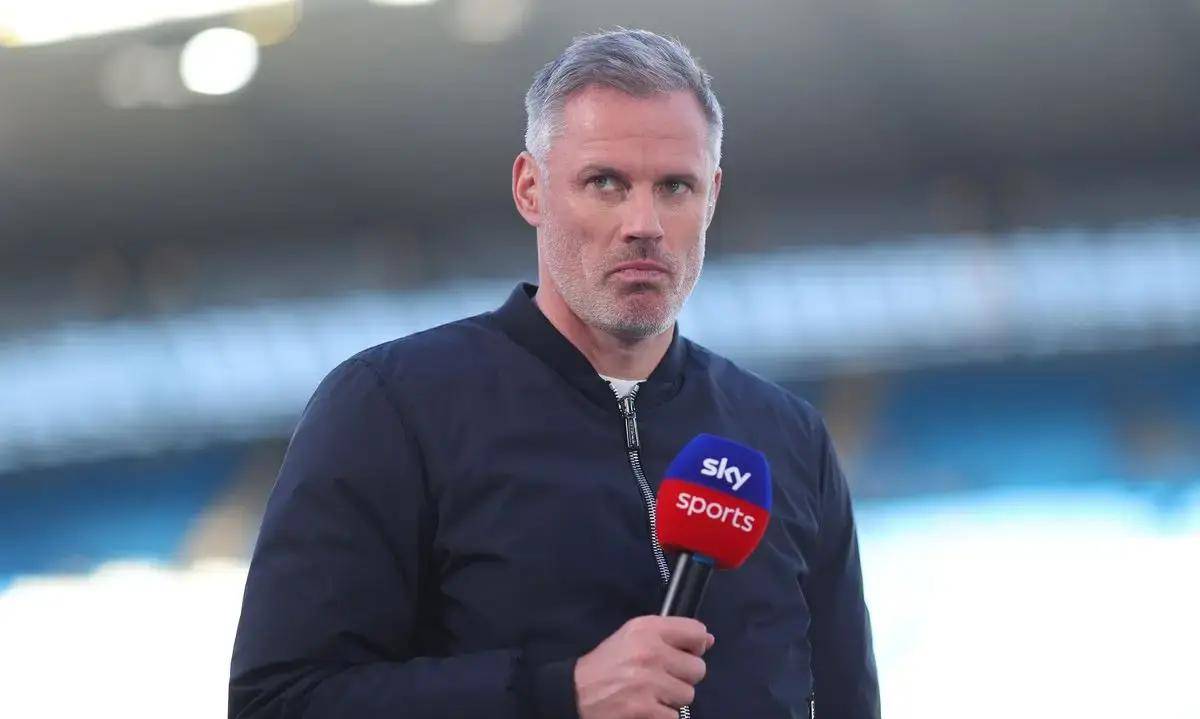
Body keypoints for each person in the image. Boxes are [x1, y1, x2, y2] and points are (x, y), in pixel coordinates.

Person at [229, 28, 880, 719]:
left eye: (675, 186)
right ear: (530, 189)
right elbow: (278, 703)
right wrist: (557, 694)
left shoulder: (788, 440)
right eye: (605, 183)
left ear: (711, 196)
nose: (644, 223)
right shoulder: (390, 407)